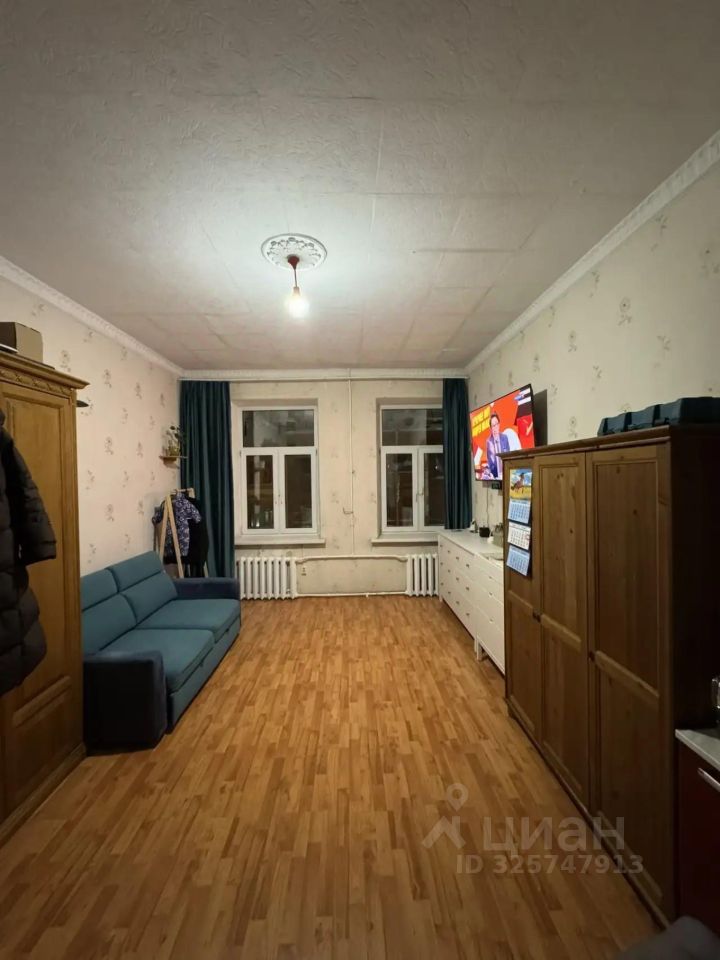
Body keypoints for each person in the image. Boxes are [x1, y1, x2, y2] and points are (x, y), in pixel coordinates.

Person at [486, 412, 510, 479]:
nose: (495, 427)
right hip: (495, 476)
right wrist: (490, 474)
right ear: (491, 428)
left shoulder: (505, 438)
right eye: (493, 425)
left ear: (499, 424)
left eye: (496, 424)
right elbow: (489, 462)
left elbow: (509, 456)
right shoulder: (489, 442)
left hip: (506, 474)